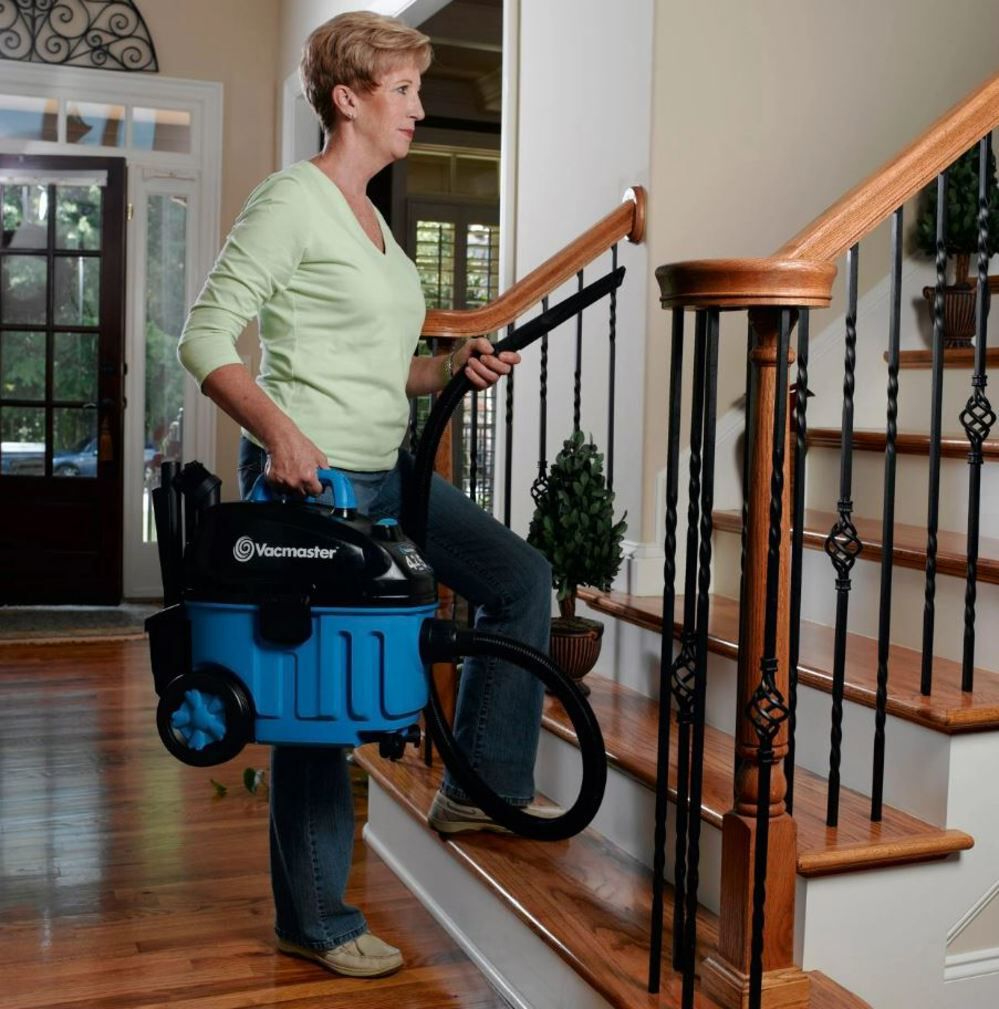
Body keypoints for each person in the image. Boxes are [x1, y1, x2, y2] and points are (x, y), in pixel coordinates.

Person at [178, 11, 556, 981]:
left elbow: (385, 369)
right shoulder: (292, 200)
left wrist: (448, 367)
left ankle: (481, 784)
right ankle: (315, 918)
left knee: (519, 579)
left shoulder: (374, 221)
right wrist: (280, 434)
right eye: (404, 90)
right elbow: (204, 338)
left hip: (389, 476)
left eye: (417, 90)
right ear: (347, 99)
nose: (420, 108)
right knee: (318, 708)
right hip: (313, 485)